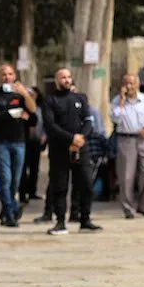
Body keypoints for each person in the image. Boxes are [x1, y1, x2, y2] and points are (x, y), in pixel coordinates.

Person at [42, 68, 98, 234]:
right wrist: (70, 139)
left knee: (87, 184)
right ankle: (60, 221)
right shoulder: (50, 100)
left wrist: (80, 139)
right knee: (60, 186)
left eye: (68, 77)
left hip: (81, 148)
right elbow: (50, 125)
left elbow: (88, 121)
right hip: (60, 150)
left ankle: (85, 219)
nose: (66, 80)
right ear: (57, 80)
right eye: (63, 78)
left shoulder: (80, 98)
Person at [0, 64, 37, 226]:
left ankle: (7, 210)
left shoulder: (20, 94)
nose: (7, 77)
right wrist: (11, 114)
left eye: (10, 74)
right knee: (5, 179)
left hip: (19, 142)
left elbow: (33, 111)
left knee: (15, 180)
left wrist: (24, 94)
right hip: (1, 142)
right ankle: (10, 214)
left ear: (14, 75)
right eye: (3, 74)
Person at [111, 73, 144, 219]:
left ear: (138, 84)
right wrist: (122, 102)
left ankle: (143, 205)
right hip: (126, 139)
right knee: (126, 176)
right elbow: (115, 118)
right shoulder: (117, 101)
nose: (129, 86)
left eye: (132, 83)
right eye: (126, 84)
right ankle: (128, 208)